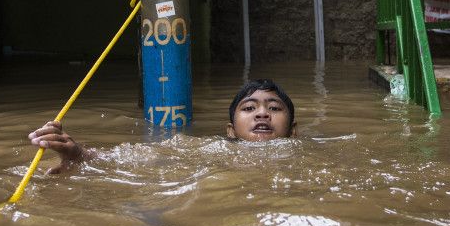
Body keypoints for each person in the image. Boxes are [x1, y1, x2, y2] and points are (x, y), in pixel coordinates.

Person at [28, 79, 297, 173]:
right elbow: (138, 159)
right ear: (230, 130)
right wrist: (80, 155)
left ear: (293, 131)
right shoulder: (209, 150)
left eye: (274, 108)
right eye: (249, 108)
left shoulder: (306, 155)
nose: (262, 114)